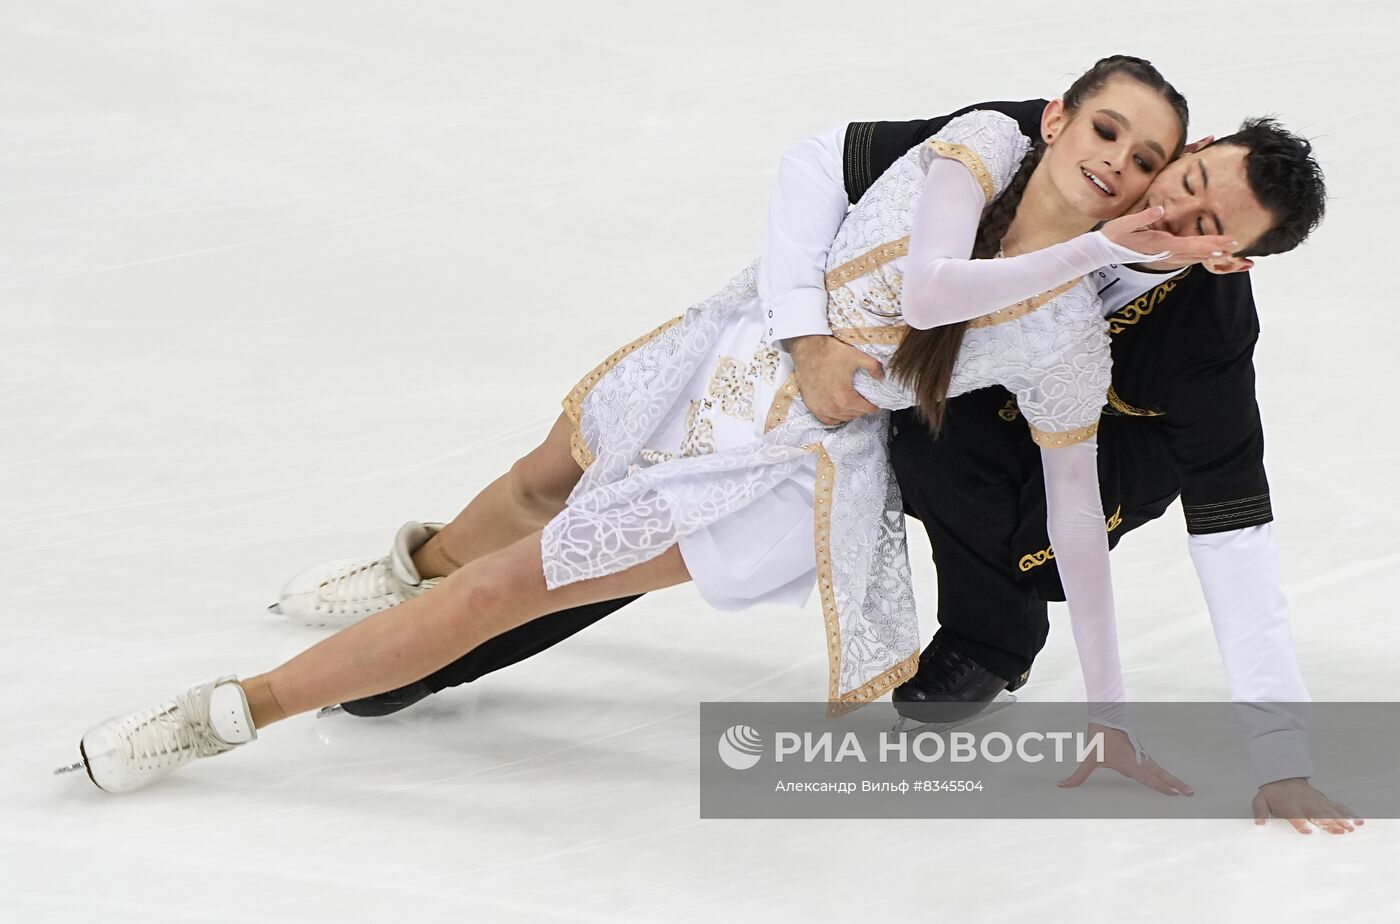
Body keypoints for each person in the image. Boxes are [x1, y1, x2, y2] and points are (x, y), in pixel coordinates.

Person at [69, 56, 1229, 798]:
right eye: (1105, 131)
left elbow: (1075, 519)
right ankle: (401, 570)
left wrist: (1111, 715)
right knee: (533, 478)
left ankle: (225, 714)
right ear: (1056, 115)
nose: (1116, 166)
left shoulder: (1068, 331)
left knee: (501, 592)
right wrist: (802, 332)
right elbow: (923, 284)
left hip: (790, 474)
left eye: (1140, 162)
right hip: (743, 354)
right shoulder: (976, 141)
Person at [303, 101, 1357, 832]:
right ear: (1192, 145)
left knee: (933, 451)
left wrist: (1280, 755)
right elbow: (823, 163)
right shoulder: (1072, 132)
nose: (1166, 206)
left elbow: (1236, 538)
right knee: (653, 479)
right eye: (1186, 179)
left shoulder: (1203, 340)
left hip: (1061, 457)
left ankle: (993, 633)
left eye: (1205, 225)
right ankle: (426, 628)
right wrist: (806, 333)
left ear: (1226, 257)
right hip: (868, 360)